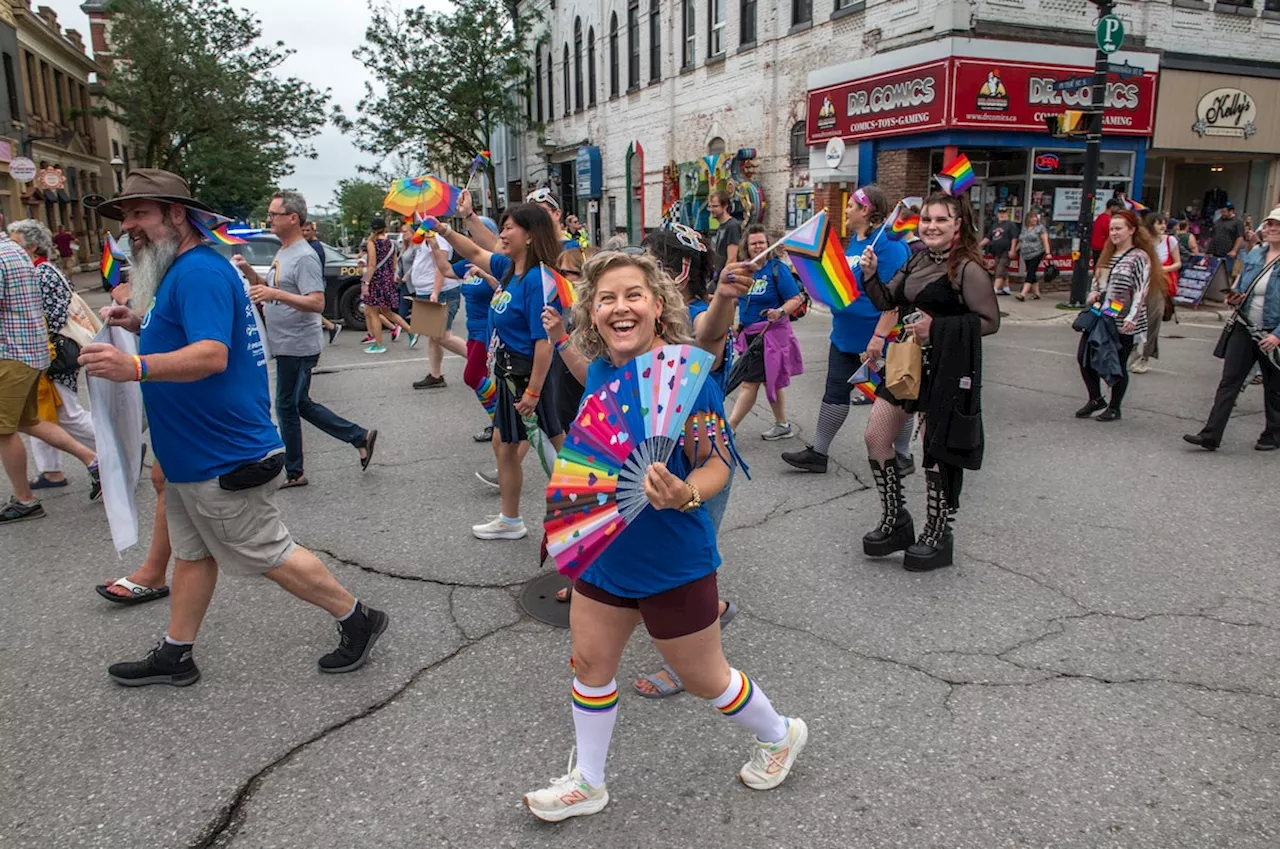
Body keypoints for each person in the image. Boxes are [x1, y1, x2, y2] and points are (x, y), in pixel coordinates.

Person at [520, 251, 807, 822]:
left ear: (657, 305)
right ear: (592, 312)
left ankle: (780, 734)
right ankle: (588, 782)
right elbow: (592, 458)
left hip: (672, 559)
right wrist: (566, 525)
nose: (619, 307)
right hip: (605, 552)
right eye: (606, 299)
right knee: (589, 665)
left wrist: (685, 494)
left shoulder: (687, 378)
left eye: (632, 295)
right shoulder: (600, 369)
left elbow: (717, 466)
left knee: (706, 679)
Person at [77, 168, 389, 685]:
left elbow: (211, 354)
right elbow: (190, 333)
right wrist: (140, 325)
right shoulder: (181, 269)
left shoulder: (198, 272)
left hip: (222, 454)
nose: (128, 226)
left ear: (176, 215)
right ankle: (176, 652)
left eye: (139, 214)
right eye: (125, 215)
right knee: (193, 554)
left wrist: (135, 366)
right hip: (190, 454)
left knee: (269, 553)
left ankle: (358, 617)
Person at [857, 192, 1000, 571]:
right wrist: (870, 275)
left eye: (941, 220)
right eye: (927, 220)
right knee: (876, 436)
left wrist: (937, 328)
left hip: (947, 367)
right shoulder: (918, 258)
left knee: (937, 451)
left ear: (958, 226)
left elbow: (989, 321)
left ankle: (938, 533)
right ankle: (896, 521)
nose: (931, 226)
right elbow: (888, 299)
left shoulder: (968, 268)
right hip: (907, 365)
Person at [431, 203, 566, 540]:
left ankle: (590, 510)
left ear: (531, 235)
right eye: (502, 227)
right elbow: (475, 249)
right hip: (509, 375)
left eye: (510, 228)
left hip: (527, 378)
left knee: (557, 451)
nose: (503, 234)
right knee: (504, 445)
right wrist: (445, 228)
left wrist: (533, 392)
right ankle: (510, 519)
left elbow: (544, 342)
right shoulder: (510, 268)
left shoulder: (538, 279)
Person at [236, 191, 378, 488]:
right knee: (298, 403)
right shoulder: (283, 250)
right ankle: (357, 436)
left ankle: (295, 470)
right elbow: (272, 287)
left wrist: (274, 294)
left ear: (293, 218)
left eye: (274, 214)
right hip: (285, 341)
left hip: (297, 344)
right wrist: (250, 274)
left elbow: (316, 303)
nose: (269, 218)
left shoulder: (304, 256)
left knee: (287, 405)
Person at [782, 185, 912, 473]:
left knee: (897, 398)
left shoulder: (890, 245)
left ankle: (903, 454)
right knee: (835, 392)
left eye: (852, 205)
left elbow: (896, 299)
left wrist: (880, 337)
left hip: (878, 341)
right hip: (844, 336)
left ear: (866, 210)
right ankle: (819, 452)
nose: (847, 211)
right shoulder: (855, 241)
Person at [0, 229, 101, 523]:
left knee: (4, 430)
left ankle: (24, 499)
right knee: (27, 421)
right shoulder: (14, 250)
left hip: (10, 353)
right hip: (28, 352)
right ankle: (95, 462)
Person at [1184, 206, 1280, 452]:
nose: (1272, 229)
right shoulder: (1256, 254)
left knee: (1274, 387)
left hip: (1272, 330)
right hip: (1245, 326)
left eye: (1277, 225)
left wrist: (1277, 335)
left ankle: (1273, 434)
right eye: (1269, 224)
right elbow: (1241, 284)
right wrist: (1234, 297)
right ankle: (1210, 435)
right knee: (1229, 381)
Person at [1075, 209, 1164, 424]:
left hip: (1124, 319)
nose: (1114, 233)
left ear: (1131, 230)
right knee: (1085, 357)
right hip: (1103, 314)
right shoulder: (1108, 254)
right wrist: (1093, 293)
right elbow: (1098, 281)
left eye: (1118, 228)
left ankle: (1115, 407)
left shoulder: (1140, 257)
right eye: (1111, 229)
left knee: (1116, 363)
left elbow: (1141, 291)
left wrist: (1132, 318)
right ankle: (1096, 398)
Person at [728, 225, 804, 440]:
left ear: (768, 245)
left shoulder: (777, 269)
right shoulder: (745, 271)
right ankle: (783, 424)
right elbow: (735, 300)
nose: (758, 246)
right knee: (769, 380)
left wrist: (780, 311)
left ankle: (729, 428)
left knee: (748, 382)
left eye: (761, 242)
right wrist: (733, 325)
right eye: (754, 243)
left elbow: (796, 298)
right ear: (747, 246)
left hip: (769, 336)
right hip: (750, 335)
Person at [410, 224, 467, 389]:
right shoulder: (426, 238)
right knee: (432, 336)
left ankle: (478, 361)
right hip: (426, 292)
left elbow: (440, 267)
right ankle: (435, 375)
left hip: (441, 293)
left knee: (442, 336)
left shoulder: (438, 239)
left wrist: (435, 292)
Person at [1133, 214, 1181, 374]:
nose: (1163, 226)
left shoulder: (1170, 241)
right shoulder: (1142, 241)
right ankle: (1132, 350)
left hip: (1159, 285)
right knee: (1134, 318)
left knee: (1154, 318)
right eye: (1159, 223)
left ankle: (1145, 356)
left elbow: (1177, 263)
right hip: (1140, 283)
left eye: (1164, 223)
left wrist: (1162, 269)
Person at [360, 217, 413, 354]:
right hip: (388, 280)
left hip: (376, 280)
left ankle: (379, 344)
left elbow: (371, 264)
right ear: (385, 228)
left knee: (373, 313)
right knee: (387, 311)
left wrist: (366, 282)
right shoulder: (392, 243)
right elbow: (394, 264)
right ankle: (410, 331)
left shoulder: (372, 243)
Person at [301, 221, 340, 344]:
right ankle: (331, 327)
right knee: (307, 309)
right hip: (312, 281)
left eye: (308, 230)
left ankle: (330, 327)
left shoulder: (314, 247)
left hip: (314, 282)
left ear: (313, 231)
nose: (305, 233)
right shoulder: (310, 245)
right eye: (303, 230)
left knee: (309, 308)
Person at [979, 206, 1020, 296]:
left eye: (1004, 213)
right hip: (996, 252)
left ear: (1007, 214)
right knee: (1000, 269)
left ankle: (994, 289)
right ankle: (1006, 288)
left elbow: (1014, 238)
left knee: (1000, 270)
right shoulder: (995, 225)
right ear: (997, 214)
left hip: (1007, 251)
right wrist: (978, 246)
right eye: (1000, 213)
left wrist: (1013, 250)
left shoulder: (1010, 224)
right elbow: (988, 237)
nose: (1002, 215)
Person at [1015, 209, 1050, 301]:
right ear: (1028, 219)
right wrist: (1014, 250)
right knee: (1032, 273)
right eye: (1032, 217)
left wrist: (1048, 253)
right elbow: (1021, 241)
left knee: (1030, 272)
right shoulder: (1025, 228)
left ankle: (1023, 294)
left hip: (1037, 253)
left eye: (1035, 217)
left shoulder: (1040, 228)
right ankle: (1036, 293)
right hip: (1026, 255)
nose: (1034, 219)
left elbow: (1045, 240)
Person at [707, 190, 742, 279]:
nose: (711, 210)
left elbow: (732, 258)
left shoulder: (732, 226)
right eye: (710, 207)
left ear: (725, 206)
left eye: (715, 206)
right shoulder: (721, 226)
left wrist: (723, 278)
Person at [1207, 201, 1245, 279]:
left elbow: (1240, 237)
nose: (1223, 213)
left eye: (1224, 212)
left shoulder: (1237, 222)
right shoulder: (1218, 221)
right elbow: (1212, 235)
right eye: (1222, 212)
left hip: (1227, 254)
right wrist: (1208, 248)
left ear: (1231, 211)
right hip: (1215, 252)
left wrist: (1234, 250)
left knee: (1225, 275)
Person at [1092, 198, 1123, 269]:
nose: (1117, 210)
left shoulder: (1100, 217)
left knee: (1097, 267)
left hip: (1096, 246)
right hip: (1103, 247)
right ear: (1112, 207)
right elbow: (1110, 235)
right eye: (1116, 208)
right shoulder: (1108, 220)